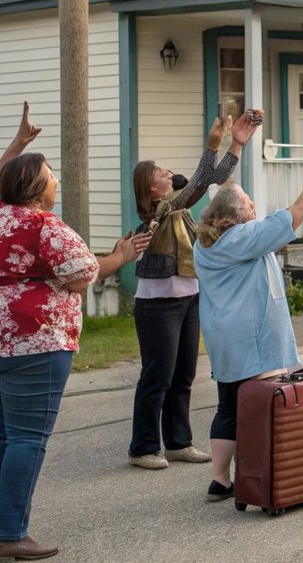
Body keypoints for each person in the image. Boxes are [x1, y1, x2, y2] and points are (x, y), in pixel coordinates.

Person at [0, 103, 150, 561]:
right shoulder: (44, 225)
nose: (56, 179)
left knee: (0, 432)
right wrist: (120, 258)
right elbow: (82, 276)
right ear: (39, 190)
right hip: (30, 340)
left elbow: (0, 183)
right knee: (26, 436)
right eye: (51, 174)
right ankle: (7, 536)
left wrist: (20, 143)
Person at [192, 126, 303, 502]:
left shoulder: (205, 243)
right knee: (264, 407)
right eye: (250, 204)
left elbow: (215, 186)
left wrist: (236, 145)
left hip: (223, 338)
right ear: (235, 216)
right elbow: (302, 209)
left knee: (228, 406)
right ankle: (268, 475)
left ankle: (220, 480)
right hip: (255, 340)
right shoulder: (245, 238)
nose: (255, 208)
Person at [125, 112, 260, 470]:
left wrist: (236, 145)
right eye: (163, 174)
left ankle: (178, 442)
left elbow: (209, 180)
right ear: (151, 188)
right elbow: (198, 182)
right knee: (157, 376)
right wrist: (212, 144)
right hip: (158, 306)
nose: (170, 175)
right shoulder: (160, 211)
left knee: (184, 376)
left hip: (187, 298)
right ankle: (143, 447)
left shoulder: (177, 209)